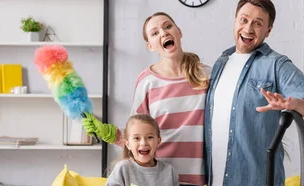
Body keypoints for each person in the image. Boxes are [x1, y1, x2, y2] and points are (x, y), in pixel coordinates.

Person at [203, 0, 304, 185]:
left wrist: (295, 104)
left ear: (268, 30)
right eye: (244, 20)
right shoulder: (220, 63)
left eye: (258, 23)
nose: (248, 29)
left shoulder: (276, 65)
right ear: (235, 21)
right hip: (214, 180)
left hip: (255, 180)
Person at [83, 12, 210, 186]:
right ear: (150, 46)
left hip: (199, 178)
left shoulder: (206, 75)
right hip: (158, 178)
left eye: (167, 26)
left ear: (179, 31)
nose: (163, 33)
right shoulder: (147, 81)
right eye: (155, 32)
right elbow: (137, 133)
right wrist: (109, 134)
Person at [105, 114, 179, 186]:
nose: (143, 143)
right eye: (137, 138)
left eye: (149, 137)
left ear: (158, 141)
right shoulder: (122, 169)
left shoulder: (170, 171)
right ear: (127, 144)